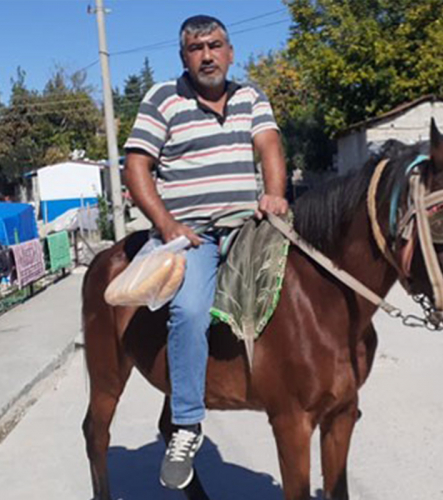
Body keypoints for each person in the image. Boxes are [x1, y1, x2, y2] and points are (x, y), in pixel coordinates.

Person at [122, 14, 288, 490]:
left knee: (298, 286)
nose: (208, 55)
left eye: (215, 45)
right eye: (197, 48)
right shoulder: (163, 99)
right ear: (184, 58)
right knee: (191, 311)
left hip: (246, 226)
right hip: (192, 234)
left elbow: (269, 146)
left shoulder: (250, 97)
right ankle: (187, 425)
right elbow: (137, 166)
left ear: (230, 53)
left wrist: (274, 192)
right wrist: (168, 224)